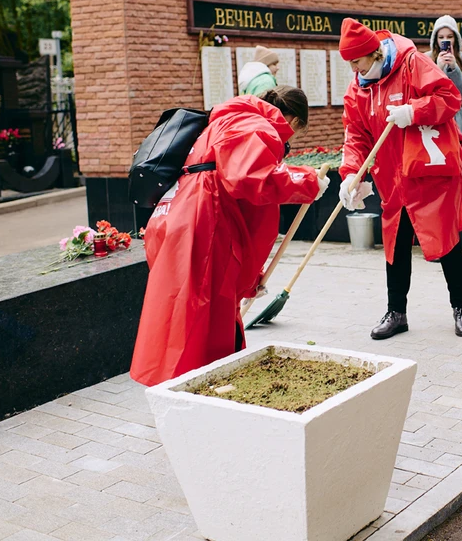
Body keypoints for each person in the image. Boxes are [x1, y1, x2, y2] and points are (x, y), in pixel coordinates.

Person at [131, 87, 329, 386]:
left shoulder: (226, 121)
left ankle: (177, 383)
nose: (289, 140)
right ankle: (202, 386)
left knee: (181, 311)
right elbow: (250, 178)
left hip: (182, 216)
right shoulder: (256, 125)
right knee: (205, 317)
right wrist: (309, 181)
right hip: (205, 222)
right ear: (294, 120)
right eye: (296, 132)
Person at [337, 18, 462, 340]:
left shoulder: (412, 64)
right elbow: (355, 135)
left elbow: (449, 98)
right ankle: (396, 313)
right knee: (395, 246)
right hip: (392, 178)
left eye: (356, 61)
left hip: (428, 174)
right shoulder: (359, 88)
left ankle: (461, 307)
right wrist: (350, 175)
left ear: (373, 53)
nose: (354, 69)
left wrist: (414, 111)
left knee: (446, 240)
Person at [430, 15, 462, 159]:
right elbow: (421, 92)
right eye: (441, 37)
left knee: (459, 160)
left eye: (449, 36)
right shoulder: (426, 59)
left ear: (456, 38)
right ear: (435, 40)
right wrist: (437, 68)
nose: (445, 41)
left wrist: (454, 69)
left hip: (457, 116)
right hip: (433, 115)